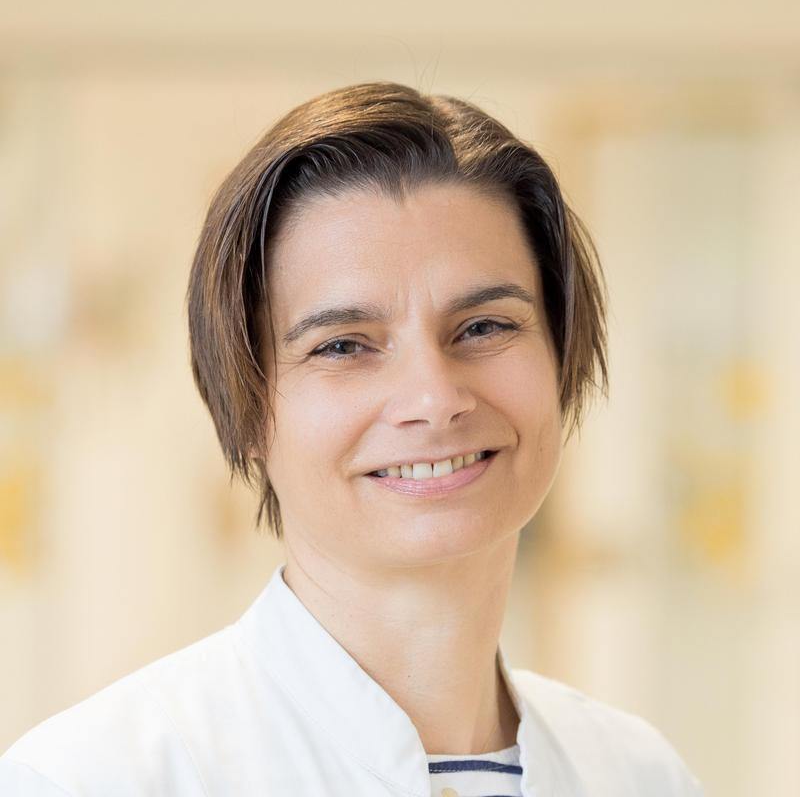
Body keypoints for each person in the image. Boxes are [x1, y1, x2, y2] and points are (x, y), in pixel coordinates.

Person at [0, 81, 704, 796]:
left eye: (485, 327)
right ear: (246, 409)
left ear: (562, 357)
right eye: (342, 346)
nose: (434, 399)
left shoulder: (640, 774)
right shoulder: (92, 777)